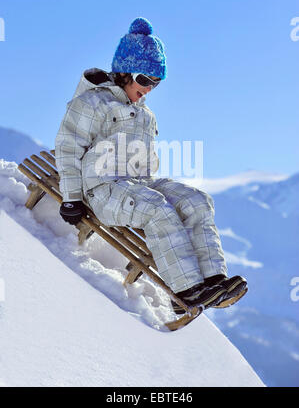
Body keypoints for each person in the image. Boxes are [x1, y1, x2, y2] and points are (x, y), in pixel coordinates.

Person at [55, 17, 247, 312]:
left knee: (197, 201)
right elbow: (68, 148)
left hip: (136, 186)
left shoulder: (146, 115)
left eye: (156, 82)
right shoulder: (94, 103)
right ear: (124, 72)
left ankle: (213, 282)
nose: (149, 88)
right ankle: (186, 293)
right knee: (157, 208)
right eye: (144, 79)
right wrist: (71, 198)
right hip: (102, 189)